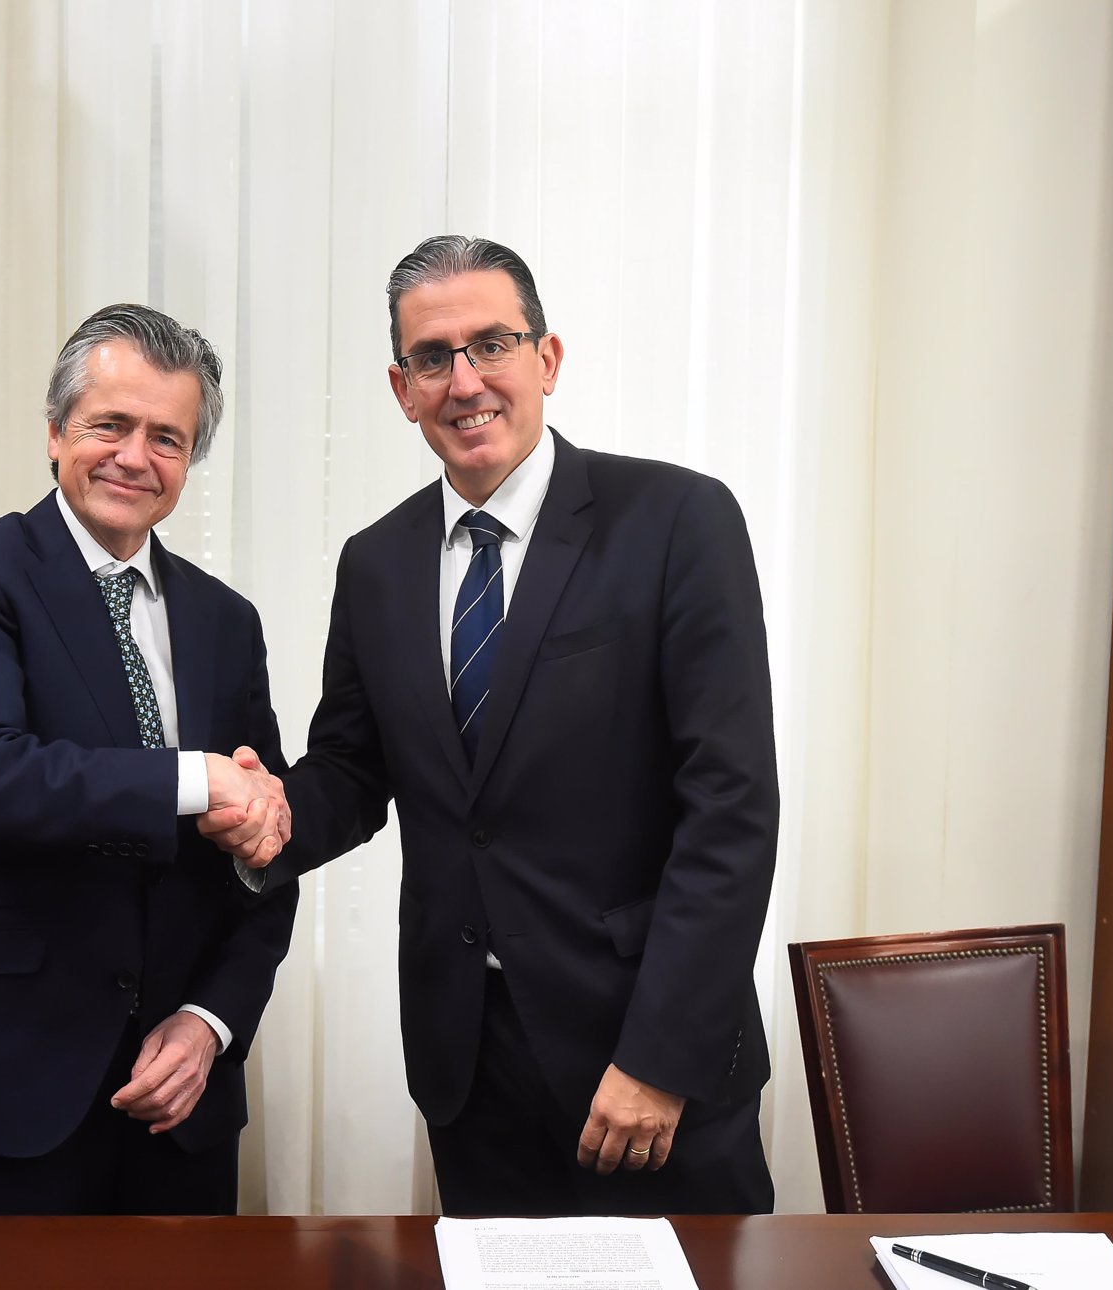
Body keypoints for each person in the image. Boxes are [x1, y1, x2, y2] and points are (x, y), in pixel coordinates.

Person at [206, 236, 778, 1216]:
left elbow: (731, 812)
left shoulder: (677, 520)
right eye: (433, 357)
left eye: (492, 345)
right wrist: (267, 816)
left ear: (546, 359)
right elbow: (352, 769)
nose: (465, 380)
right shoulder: (376, 563)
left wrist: (659, 1059)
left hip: (644, 1053)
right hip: (471, 1063)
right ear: (403, 389)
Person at [0, 303, 296, 1216]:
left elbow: (266, 848)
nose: (135, 457)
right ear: (56, 432)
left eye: (167, 438)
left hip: (181, 1099)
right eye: (110, 425)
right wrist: (193, 777)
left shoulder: (226, 621)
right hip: (6, 1085)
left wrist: (211, 1022)